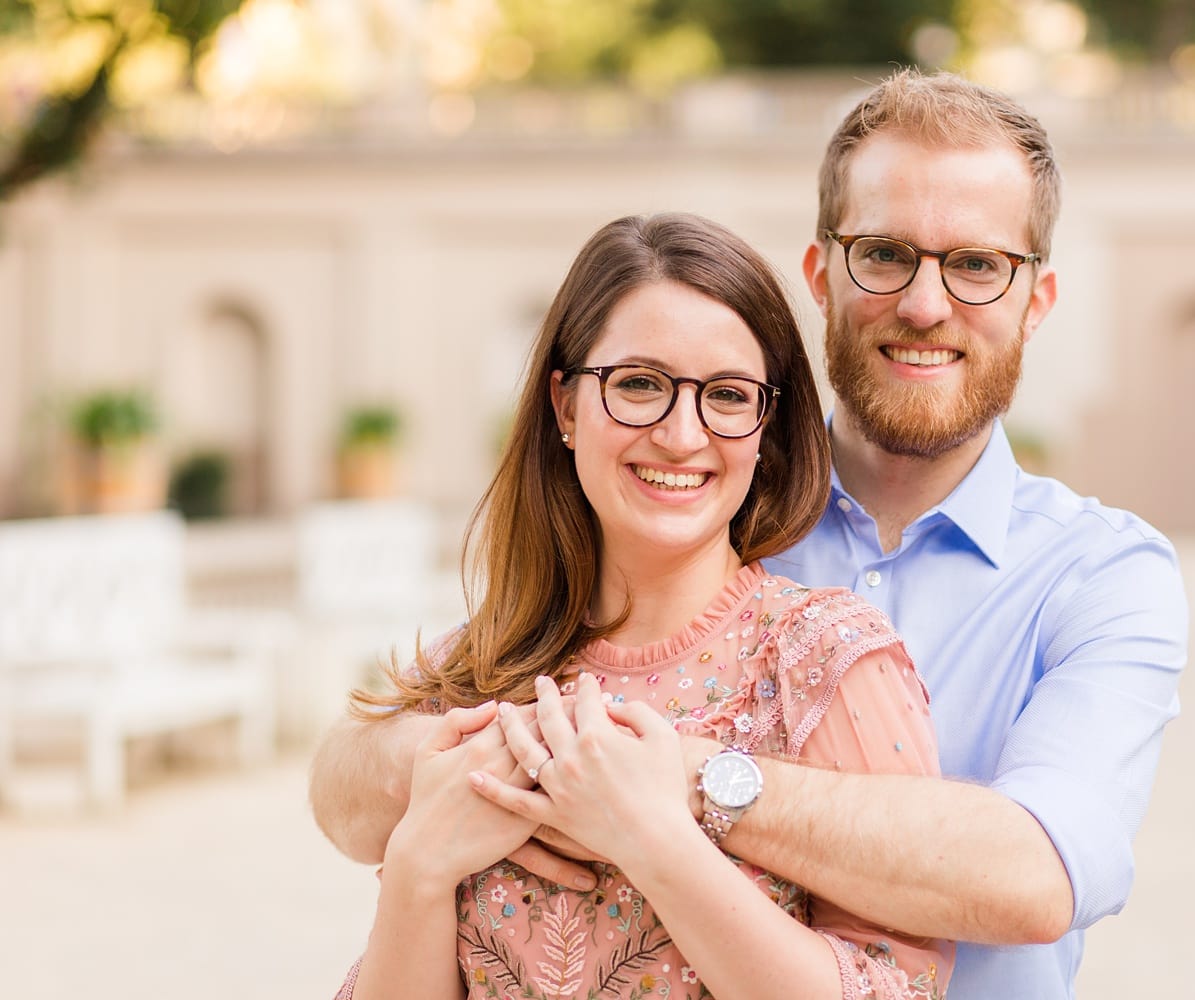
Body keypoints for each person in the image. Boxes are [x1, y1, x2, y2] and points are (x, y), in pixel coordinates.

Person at [312, 69, 1188, 998]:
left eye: (976, 264)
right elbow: (349, 783)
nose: (927, 304)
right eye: (885, 254)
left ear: (1036, 299)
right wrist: (506, 763)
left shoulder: (1103, 575)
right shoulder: (685, 518)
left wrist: (665, 782)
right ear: (823, 275)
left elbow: (1036, 877)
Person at [332, 212, 952, 1000]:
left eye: (727, 396)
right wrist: (418, 866)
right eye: (638, 385)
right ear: (564, 406)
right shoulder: (473, 670)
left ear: (766, 427)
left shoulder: (828, 662)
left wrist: (656, 840)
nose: (681, 433)